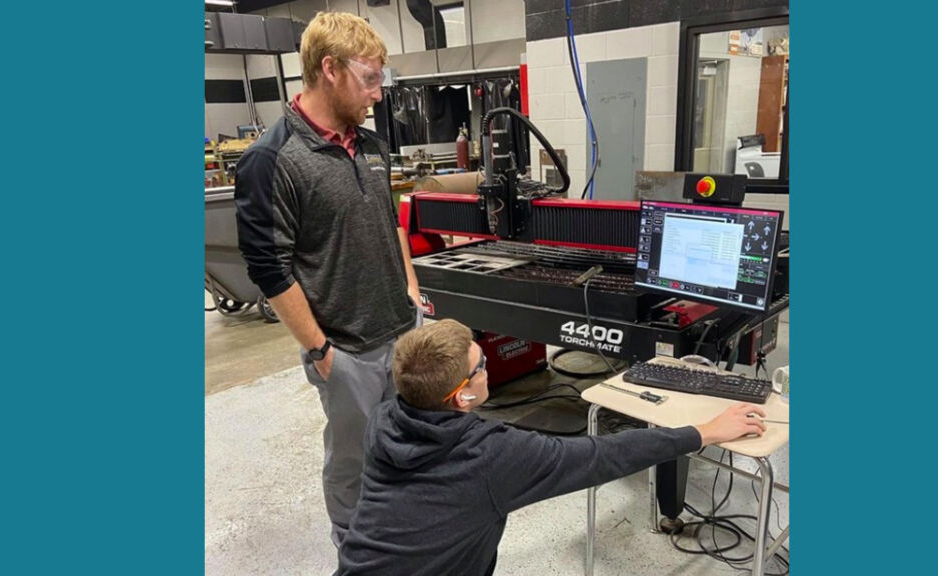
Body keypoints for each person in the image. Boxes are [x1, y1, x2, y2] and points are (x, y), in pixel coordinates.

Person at [336, 320, 768, 575]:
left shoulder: (385, 421)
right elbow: (603, 456)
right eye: (481, 365)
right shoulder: (489, 457)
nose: (488, 366)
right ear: (462, 397)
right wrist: (704, 432)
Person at [233, 11, 422, 548]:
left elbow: (392, 225)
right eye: (370, 79)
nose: (378, 95)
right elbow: (270, 269)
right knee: (353, 462)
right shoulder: (271, 161)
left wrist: (411, 294)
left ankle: (403, 533)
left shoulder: (369, 146)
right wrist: (321, 351)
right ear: (330, 69)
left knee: (405, 443)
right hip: (346, 349)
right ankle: (360, 551)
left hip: (401, 332)